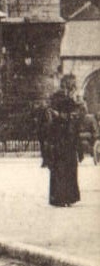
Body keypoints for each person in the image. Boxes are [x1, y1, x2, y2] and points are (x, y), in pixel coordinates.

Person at [38, 75, 84, 205]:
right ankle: (67, 198)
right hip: (64, 140)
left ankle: (59, 198)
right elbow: (72, 117)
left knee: (60, 169)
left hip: (59, 140)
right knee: (65, 169)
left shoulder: (58, 99)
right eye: (73, 85)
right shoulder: (64, 100)